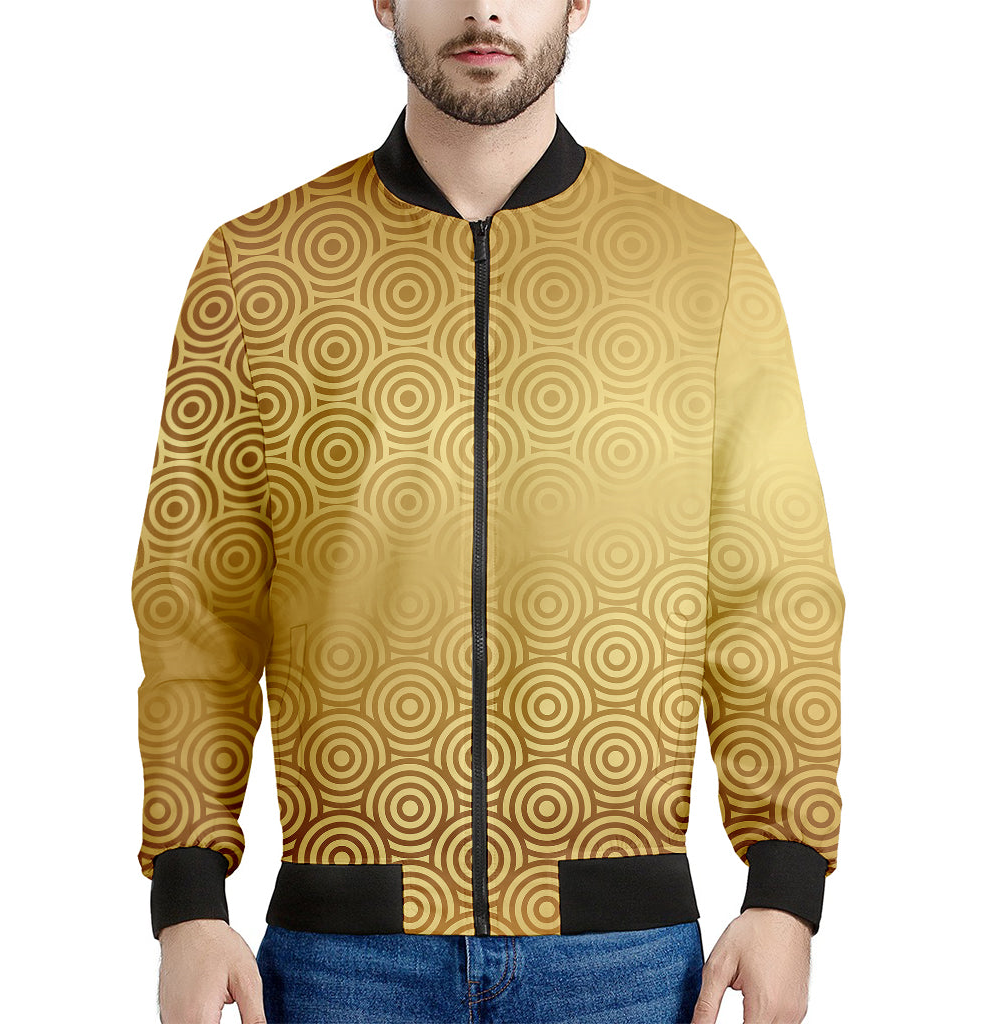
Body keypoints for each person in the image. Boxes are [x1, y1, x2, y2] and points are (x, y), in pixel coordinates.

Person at [132, 2, 845, 1022]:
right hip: (344, 955)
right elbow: (196, 603)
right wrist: (188, 897)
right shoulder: (260, 269)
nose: (483, 7)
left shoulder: (704, 268)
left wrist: (785, 887)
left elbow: (771, 592)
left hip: (623, 958)